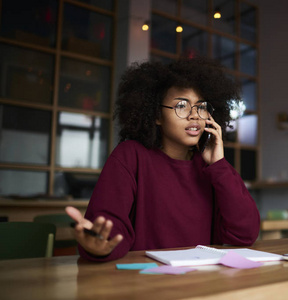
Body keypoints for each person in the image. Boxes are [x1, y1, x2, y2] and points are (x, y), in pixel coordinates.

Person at [65, 55, 260, 262]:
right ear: (157, 115)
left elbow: (245, 234)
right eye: (181, 106)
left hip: (202, 282)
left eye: (201, 107)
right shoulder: (130, 155)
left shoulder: (211, 168)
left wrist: (219, 166)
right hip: (145, 282)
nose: (194, 115)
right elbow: (109, 227)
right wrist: (100, 245)